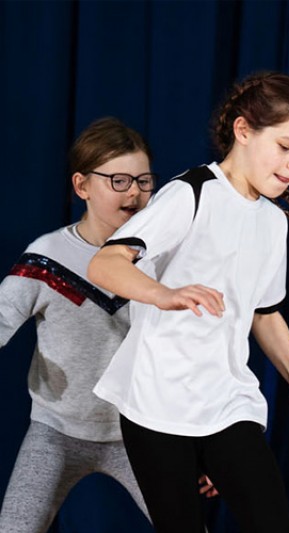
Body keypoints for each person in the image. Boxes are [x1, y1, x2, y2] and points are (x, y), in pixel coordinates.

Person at [87, 71, 289, 533]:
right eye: (285, 147)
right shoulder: (192, 193)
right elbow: (105, 265)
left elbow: (264, 312)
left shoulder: (273, 221)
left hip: (227, 399)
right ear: (244, 131)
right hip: (155, 400)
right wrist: (165, 294)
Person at [0, 117, 153, 532]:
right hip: (55, 430)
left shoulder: (161, 259)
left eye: (143, 180)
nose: (135, 192)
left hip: (141, 433)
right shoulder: (47, 257)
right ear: (82, 186)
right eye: (119, 181)